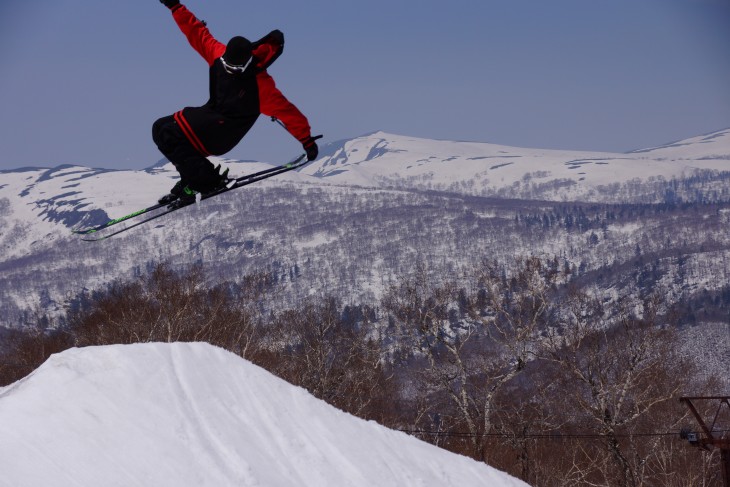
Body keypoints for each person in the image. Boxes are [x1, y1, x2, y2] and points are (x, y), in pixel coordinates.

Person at [153, 0, 320, 204]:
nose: (231, 71)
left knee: (170, 132)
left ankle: (206, 181)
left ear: (248, 62)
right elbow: (196, 32)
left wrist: (307, 141)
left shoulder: (260, 86)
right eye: (227, 66)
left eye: (236, 69)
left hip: (225, 133)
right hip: (210, 117)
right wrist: (175, 6)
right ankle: (192, 178)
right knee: (160, 127)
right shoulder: (218, 54)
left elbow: (289, 113)